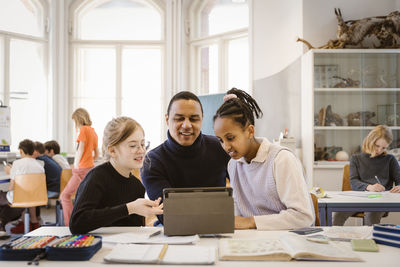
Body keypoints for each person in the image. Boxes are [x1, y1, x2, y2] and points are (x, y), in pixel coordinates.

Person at [213, 88, 314, 230]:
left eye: (230, 138)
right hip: (255, 241)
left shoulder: (281, 159)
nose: (226, 146)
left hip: (288, 241)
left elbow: (303, 217)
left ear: (250, 131)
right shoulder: (233, 165)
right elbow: (237, 215)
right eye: (220, 140)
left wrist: (250, 222)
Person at [141, 91, 230, 223]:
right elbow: (168, 214)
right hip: (174, 230)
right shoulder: (152, 161)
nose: (187, 125)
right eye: (179, 118)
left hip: (217, 224)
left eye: (194, 119)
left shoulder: (221, 148)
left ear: (202, 119)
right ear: (167, 119)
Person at [69, 116, 163, 234]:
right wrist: (130, 208)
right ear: (112, 151)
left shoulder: (137, 186)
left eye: (143, 144)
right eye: (133, 145)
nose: (141, 150)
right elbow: (77, 223)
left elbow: (135, 231)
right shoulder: (97, 177)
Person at [333, 125, 400, 226]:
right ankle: (334, 240)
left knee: (371, 215)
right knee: (338, 215)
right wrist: (370, 187)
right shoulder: (356, 158)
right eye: (377, 146)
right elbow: (354, 182)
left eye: (384, 148)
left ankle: (369, 241)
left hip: (380, 201)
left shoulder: (390, 159)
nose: (379, 150)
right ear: (370, 141)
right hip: (358, 199)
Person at [61, 108, 99, 226]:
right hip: (90, 168)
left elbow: (80, 149)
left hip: (81, 169)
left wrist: (77, 165)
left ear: (78, 119)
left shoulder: (83, 130)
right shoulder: (93, 132)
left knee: (65, 196)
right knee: (83, 198)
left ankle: (70, 224)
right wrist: (89, 161)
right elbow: (97, 153)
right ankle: (80, 222)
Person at [0, 139, 44, 234]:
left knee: (3, 196)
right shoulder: (40, 165)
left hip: (21, 197)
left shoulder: (17, 163)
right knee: (28, 196)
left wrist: (11, 172)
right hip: (37, 197)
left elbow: (11, 186)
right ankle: (33, 223)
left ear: (20, 151)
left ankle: (2, 224)